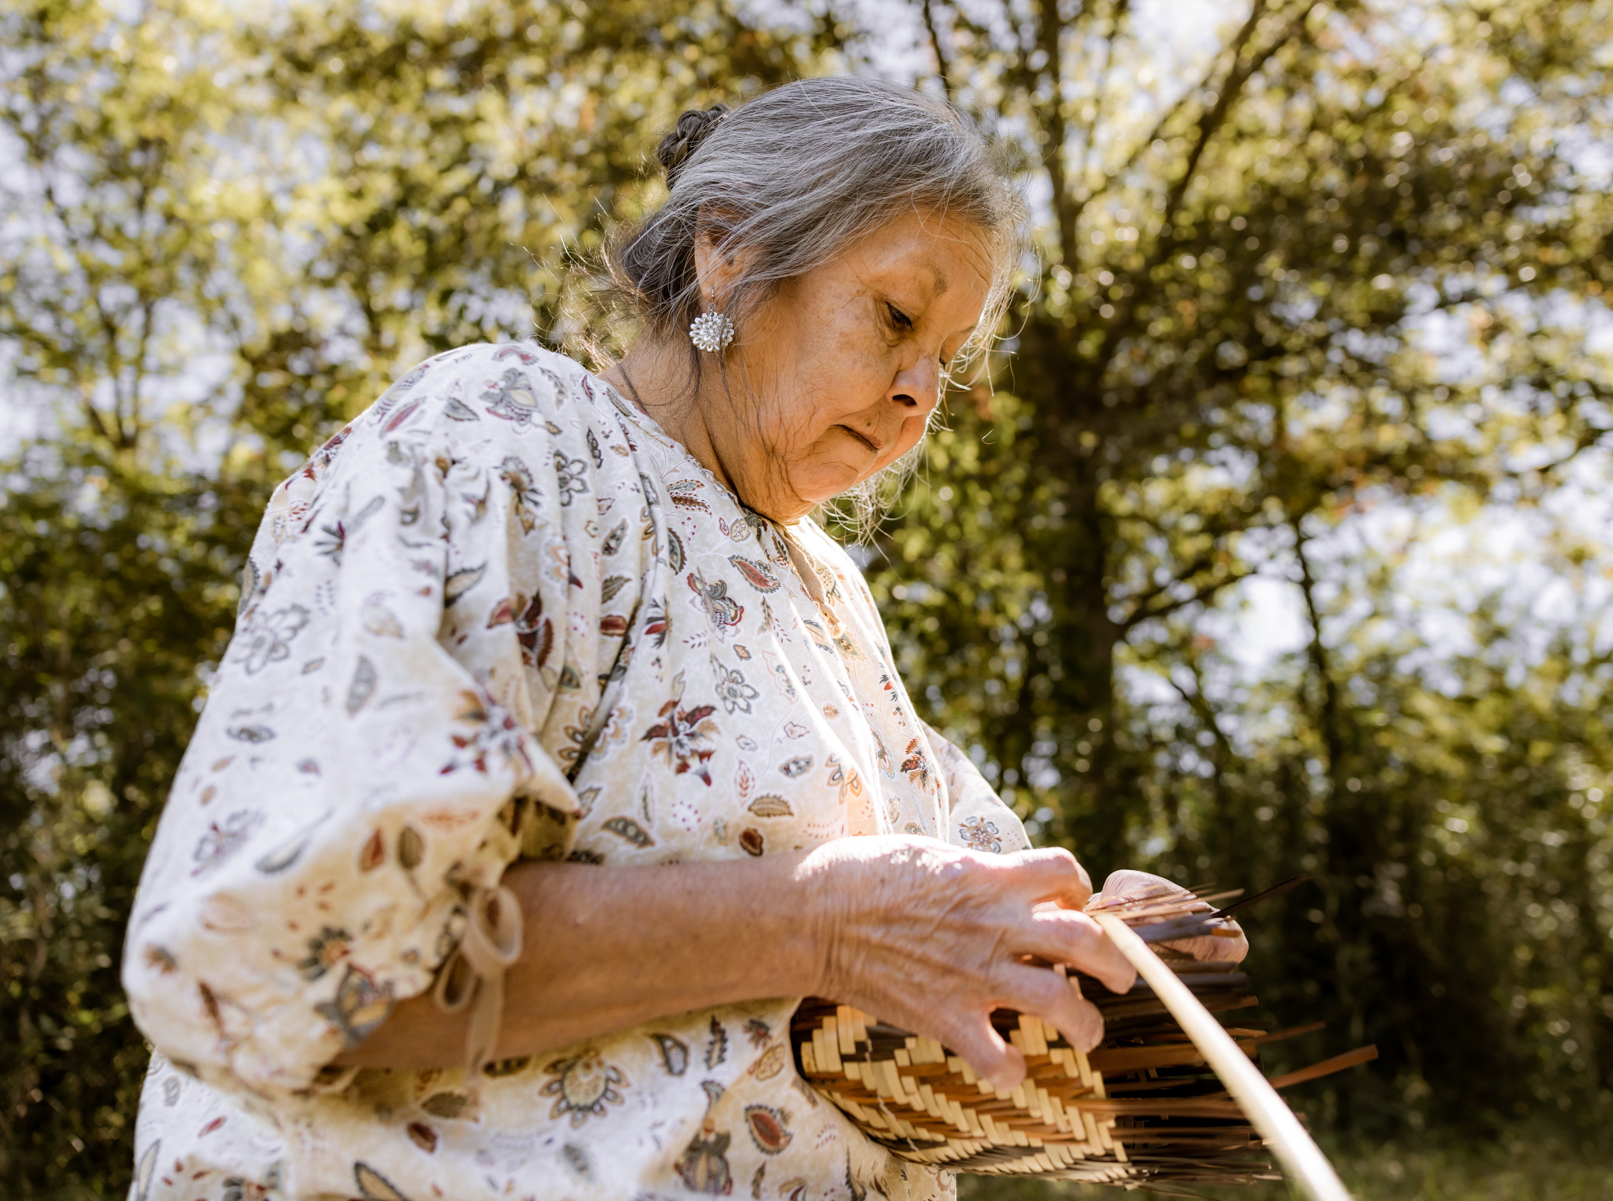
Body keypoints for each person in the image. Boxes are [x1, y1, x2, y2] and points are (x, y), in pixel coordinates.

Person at [121, 76, 1239, 1201]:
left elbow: (936, 953)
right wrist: (819, 924)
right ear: (731, 254)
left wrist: (1097, 962)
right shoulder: (507, 440)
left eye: (943, 361)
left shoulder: (828, 596)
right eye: (897, 318)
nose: (917, 395)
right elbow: (274, 957)